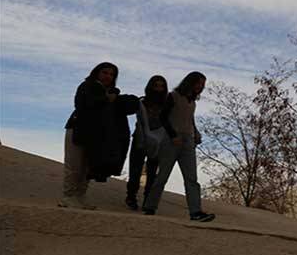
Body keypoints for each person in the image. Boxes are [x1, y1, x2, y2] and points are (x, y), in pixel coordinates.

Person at [59, 62, 138, 210]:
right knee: (74, 165)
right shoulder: (87, 86)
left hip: (96, 135)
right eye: (105, 72)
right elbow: (81, 105)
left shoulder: (112, 93)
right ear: (97, 72)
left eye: (111, 74)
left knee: (87, 167)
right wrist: (106, 99)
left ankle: (80, 196)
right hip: (78, 129)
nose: (108, 76)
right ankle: (68, 196)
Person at [142, 72, 215, 222]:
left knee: (191, 178)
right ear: (190, 82)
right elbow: (163, 117)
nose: (200, 87)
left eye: (202, 85)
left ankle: (196, 212)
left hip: (188, 141)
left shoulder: (192, 102)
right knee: (163, 175)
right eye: (198, 83)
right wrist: (173, 135)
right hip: (171, 141)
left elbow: (190, 120)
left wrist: (196, 133)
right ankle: (150, 206)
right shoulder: (173, 96)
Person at [125, 75, 168, 210]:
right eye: (156, 85)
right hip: (140, 139)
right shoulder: (142, 102)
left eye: (161, 86)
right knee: (135, 170)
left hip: (158, 141)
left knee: (152, 172)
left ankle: (148, 200)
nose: (159, 89)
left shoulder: (167, 105)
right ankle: (131, 196)